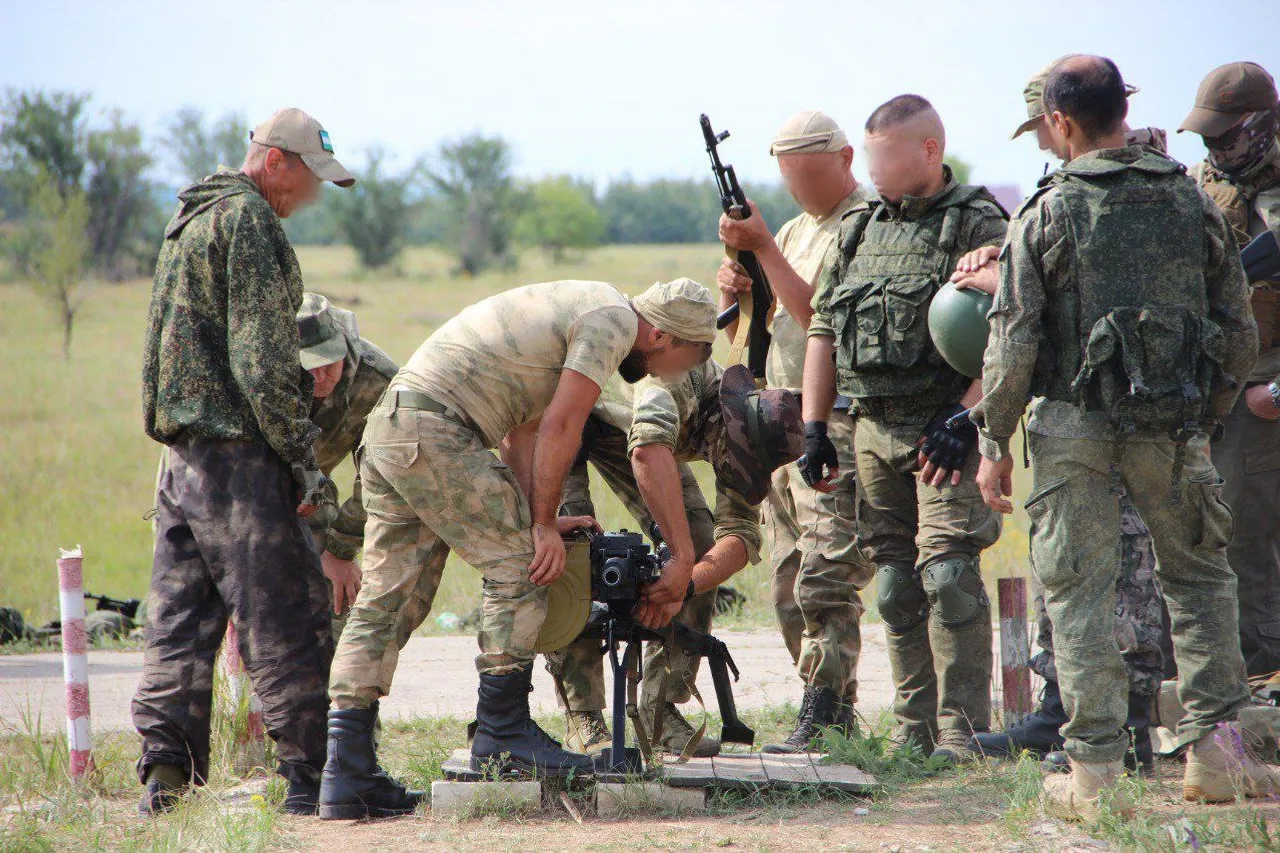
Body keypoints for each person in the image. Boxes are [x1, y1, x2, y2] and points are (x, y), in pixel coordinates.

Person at [971, 55, 1278, 819]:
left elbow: (1010, 343)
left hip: (1072, 425)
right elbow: (1237, 326)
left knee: (1078, 593)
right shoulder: (1191, 199)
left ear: (1062, 122)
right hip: (1171, 424)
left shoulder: (1044, 211)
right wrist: (1204, 416)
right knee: (1203, 583)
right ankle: (1218, 756)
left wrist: (991, 442)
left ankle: (1097, 772)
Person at [319, 278, 717, 819]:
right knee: (524, 568)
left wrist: (543, 517)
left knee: (388, 602)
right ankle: (501, 734)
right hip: (438, 429)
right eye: (678, 360)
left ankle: (346, 774)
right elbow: (562, 425)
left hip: (394, 429)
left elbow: (522, 436)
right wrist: (543, 533)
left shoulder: (577, 313)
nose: (659, 375)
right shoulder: (613, 321)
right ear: (662, 334)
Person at [134, 108, 356, 816]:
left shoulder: (189, 221)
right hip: (238, 462)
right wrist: (304, 463)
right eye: (309, 178)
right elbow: (262, 364)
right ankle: (316, 777)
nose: (311, 196)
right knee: (286, 612)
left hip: (181, 462)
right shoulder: (250, 223)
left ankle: (165, 777)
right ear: (275, 162)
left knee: (180, 621)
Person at [953, 59, 1165, 776]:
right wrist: (1004, 253)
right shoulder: (1062, 193)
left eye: (1045, 126)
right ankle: (1063, 715)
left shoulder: (1143, 186)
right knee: (1065, 569)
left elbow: (1036, 315)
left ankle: (1126, 731)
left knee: (1124, 575)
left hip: (1123, 412)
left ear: (1064, 118)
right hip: (1084, 415)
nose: (1043, 142)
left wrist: (1007, 275)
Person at [802, 94, 1008, 765]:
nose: (874, 168)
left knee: (947, 575)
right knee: (894, 586)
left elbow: (1010, 333)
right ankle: (912, 728)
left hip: (944, 430)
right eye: (869, 154)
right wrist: (813, 429)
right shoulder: (858, 227)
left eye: (885, 155)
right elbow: (824, 328)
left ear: (927, 151)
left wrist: (969, 414)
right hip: (870, 428)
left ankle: (964, 733)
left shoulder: (977, 221)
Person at [715, 110, 877, 751]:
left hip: (829, 422)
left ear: (844, 160)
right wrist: (739, 283)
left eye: (812, 175)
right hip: (774, 419)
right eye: (791, 178)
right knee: (785, 582)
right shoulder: (793, 226)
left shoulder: (864, 225)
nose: (802, 190)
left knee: (826, 575)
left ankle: (826, 712)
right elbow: (750, 326)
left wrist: (764, 251)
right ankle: (829, 712)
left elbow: (818, 316)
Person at [550, 358, 802, 757]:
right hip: (566, 410)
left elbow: (738, 536)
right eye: (733, 455)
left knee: (700, 546)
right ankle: (584, 716)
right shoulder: (672, 382)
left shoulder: (752, 432)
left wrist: (683, 584)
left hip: (638, 433)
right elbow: (647, 453)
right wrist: (679, 557)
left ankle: (659, 710)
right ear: (723, 426)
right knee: (573, 553)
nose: (732, 466)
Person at [1179, 61, 1280, 682]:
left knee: (1253, 547)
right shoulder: (1198, 184)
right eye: (1207, 136)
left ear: (1265, 124)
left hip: (1263, 392)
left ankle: (1266, 680)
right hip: (1219, 393)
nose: (1215, 147)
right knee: (1223, 542)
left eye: (1227, 134)